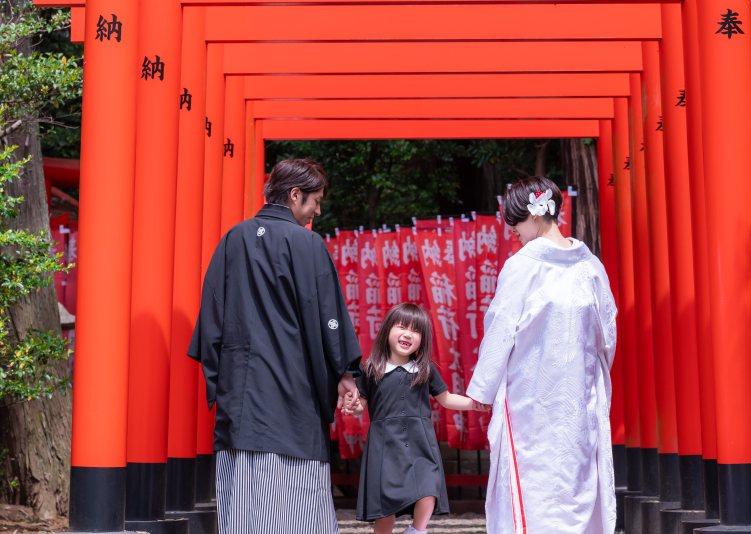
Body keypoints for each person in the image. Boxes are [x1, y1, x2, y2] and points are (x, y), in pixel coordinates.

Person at [188, 159, 362, 534]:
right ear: (295, 195)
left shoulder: (234, 239)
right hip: (293, 396)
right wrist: (345, 373)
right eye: (315, 200)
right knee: (297, 504)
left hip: (240, 399)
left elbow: (211, 321)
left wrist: (223, 380)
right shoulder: (308, 244)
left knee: (243, 503)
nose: (317, 209)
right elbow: (329, 319)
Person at [467, 176, 618, 534]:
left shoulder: (523, 265)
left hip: (530, 399)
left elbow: (500, 329)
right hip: (578, 398)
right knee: (575, 481)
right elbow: (606, 337)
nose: (514, 231)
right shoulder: (590, 267)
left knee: (533, 484)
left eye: (516, 222)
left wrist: (481, 391)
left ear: (533, 216)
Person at [342, 303, 490, 534]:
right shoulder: (370, 369)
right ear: (387, 330)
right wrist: (352, 406)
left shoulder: (426, 369)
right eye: (402, 327)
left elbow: (446, 398)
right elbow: (360, 407)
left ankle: (416, 531)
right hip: (385, 446)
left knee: (429, 488)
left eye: (416, 330)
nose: (408, 334)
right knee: (385, 508)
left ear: (423, 339)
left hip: (421, 443)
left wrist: (475, 404)